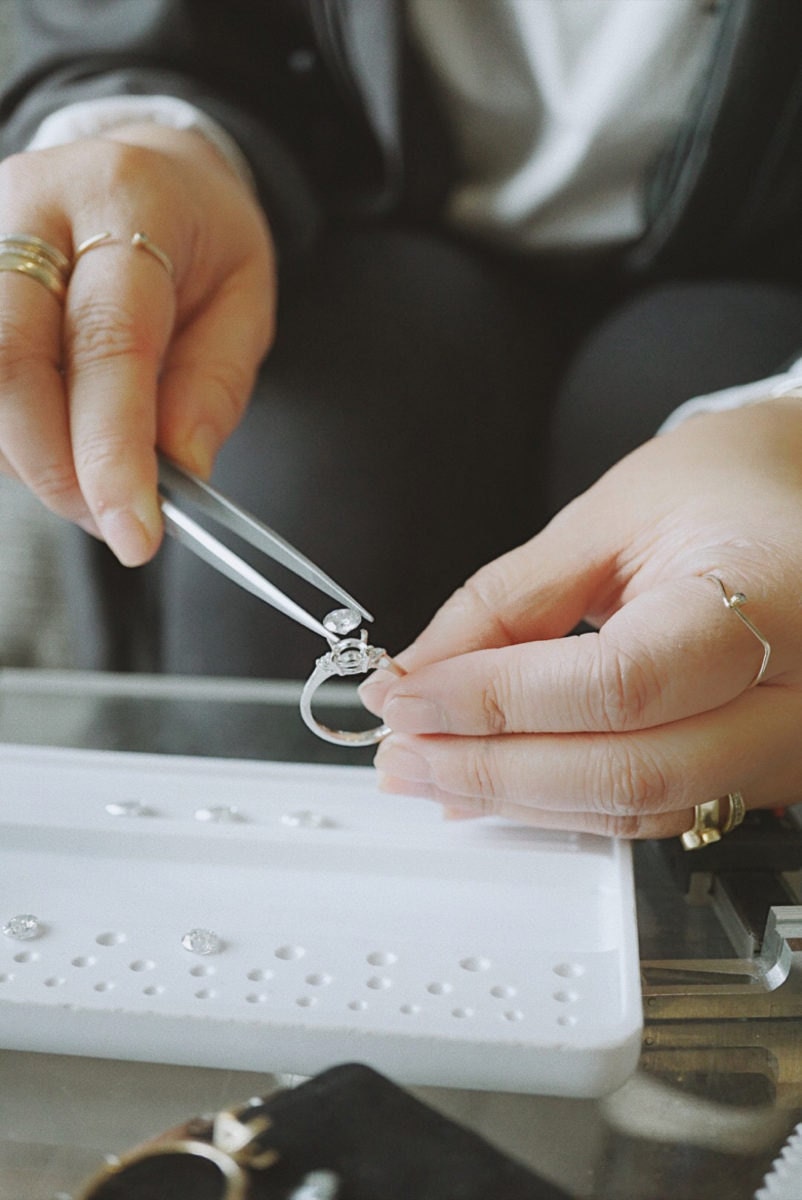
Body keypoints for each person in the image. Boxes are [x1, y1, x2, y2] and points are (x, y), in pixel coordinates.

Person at [1, 0, 802, 842]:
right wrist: (158, 139)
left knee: (707, 590)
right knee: (317, 457)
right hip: (343, 244)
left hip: (766, 285)